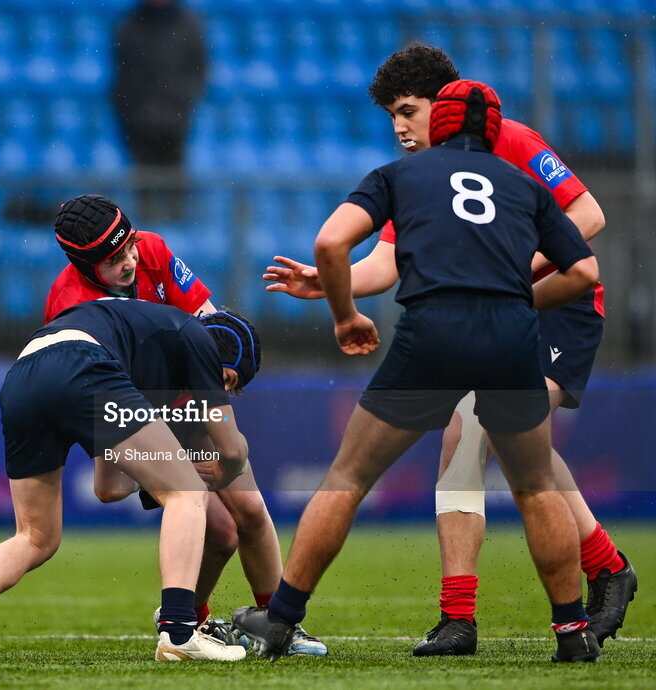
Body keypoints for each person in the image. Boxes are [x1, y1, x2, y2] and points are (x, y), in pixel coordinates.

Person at [263, 44, 636, 655]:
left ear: (447, 105)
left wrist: (508, 276)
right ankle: (590, 572)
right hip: (497, 310)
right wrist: (330, 282)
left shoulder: (507, 137)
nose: (400, 128)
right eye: (391, 117)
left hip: (554, 308)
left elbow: (586, 214)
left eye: (408, 111)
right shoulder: (423, 171)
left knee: (483, 439)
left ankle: (483, 609)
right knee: (495, 442)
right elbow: (383, 261)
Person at [0, 299, 259, 662]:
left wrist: (167, 465)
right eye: (227, 381)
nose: (222, 393)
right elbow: (231, 450)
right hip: (82, 362)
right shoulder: (196, 336)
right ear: (218, 359)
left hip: (24, 375)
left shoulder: (147, 358)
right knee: (187, 494)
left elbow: (109, 489)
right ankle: (179, 633)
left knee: (35, 538)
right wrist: (217, 471)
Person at [45, 194, 325, 656]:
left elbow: (211, 328)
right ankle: (186, 623)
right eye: (114, 259)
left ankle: (278, 626)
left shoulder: (152, 250)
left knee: (247, 515)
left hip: (190, 402)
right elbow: (106, 464)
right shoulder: (68, 306)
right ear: (83, 264)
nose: (131, 260)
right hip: (134, 416)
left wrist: (226, 378)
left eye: (130, 246)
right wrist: (172, 462)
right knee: (218, 529)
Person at [112, 0, 206, 223]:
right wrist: (135, 113)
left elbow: (198, 73)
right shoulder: (129, 26)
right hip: (138, 125)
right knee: (143, 191)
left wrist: (177, 107)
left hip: (175, 124)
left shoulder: (189, 25)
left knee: (175, 185)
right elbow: (123, 77)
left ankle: (177, 228)